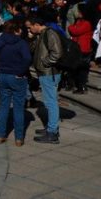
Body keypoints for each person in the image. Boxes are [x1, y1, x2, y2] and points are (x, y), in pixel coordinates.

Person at [0, 20, 32, 147]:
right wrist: (20, 72)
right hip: (17, 77)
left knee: (3, 106)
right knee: (19, 108)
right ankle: (19, 138)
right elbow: (27, 58)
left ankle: (0, 135)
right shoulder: (21, 43)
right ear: (16, 30)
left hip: (2, 75)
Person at [25, 14, 64, 144]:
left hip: (49, 73)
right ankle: (50, 128)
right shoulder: (41, 35)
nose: (29, 30)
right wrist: (31, 39)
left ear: (37, 25)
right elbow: (32, 49)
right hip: (45, 72)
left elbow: (57, 53)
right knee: (49, 101)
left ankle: (52, 133)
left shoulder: (50, 33)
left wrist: (45, 62)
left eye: (30, 27)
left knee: (50, 102)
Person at [68, 3, 94, 94]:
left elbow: (76, 31)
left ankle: (82, 87)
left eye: (79, 11)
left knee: (82, 69)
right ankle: (78, 86)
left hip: (84, 49)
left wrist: (70, 26)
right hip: (78, 48)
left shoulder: (87, 23)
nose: (77, 12)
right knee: (78, 68)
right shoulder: (79, 21)